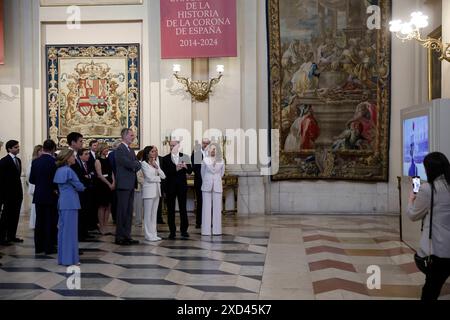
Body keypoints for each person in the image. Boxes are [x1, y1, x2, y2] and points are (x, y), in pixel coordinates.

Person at [408, 152, 450, 300]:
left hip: (438, 250)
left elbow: (413, 215)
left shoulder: (428, 189)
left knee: (430, 291)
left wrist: (412, 198)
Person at [54, 149, 85, 266]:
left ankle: (63, 258)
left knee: (63, 231)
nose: (74, 158)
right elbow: (79, 186)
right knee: (70, 232)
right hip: (71, 202)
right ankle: (70, 259)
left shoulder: (59, 170)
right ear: (67, 158)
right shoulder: (69, 171)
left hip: (62, 201)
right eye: (73, 156)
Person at [29, 140, 58, 254]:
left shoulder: (35, 162)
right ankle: (49, 247)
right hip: (51, 195)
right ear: (53, 149)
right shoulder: (54, 162)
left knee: (39, 221)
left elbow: (32, 180)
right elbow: (56, 180)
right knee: (50, 221)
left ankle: (39, 247)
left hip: (39, 195)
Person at [161, 140, 192, 239]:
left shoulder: (185, 156)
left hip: (182, 186)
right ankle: (172, 231)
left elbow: (190, 171)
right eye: (170, 145)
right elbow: (164, 173)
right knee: (171, 210)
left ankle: (184, 230)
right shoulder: (165, 158)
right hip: (170, 187)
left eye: (174, 145)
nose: (171, 147)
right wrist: (175, 169)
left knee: (183, 209)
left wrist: (185, 166)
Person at [115, 128, 141, 245]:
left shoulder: (130, 149)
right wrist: (135, 164)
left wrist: (135, 164)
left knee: (129, 211)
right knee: (122, 211)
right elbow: (129, 163)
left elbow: (137, 164)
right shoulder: (120, 149)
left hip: (130, 184)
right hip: (123, 185)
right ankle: (120, 237)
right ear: (124, 136)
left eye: (133, 135)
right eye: (131, 135)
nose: (133, 137)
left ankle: (127, 235)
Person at [0, 140, 24, 245]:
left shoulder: (18, 160)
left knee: (15, 215)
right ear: (9, 149)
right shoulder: (4, 161)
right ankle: (3, 237)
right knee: (6, 216)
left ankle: (12, 235)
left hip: (17, 193)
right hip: (8, 194)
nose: (18, 149)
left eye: (18, 147)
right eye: (15, 147)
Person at [141, 146, 166, 242]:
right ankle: (148, 235)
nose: (154, 153)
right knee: (148, 214)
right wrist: (158, 179)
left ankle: (154, 234)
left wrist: (157, 167)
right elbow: (149, 178)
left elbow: (163, 176)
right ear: (147, 153)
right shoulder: (144, 164)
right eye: (152, 151)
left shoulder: (156, 163)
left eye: (155, 151)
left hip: (156, 191)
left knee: (154, 214)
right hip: (148, 192)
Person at [201, 144, 225, 236]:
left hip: (217, 186)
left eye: (214, 149)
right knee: (206, 208)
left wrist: (216, 180)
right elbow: (202, 173)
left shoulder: (221, 160)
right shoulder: (205, 160)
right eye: (211, 149)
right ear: (208, 150)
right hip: (207, 185)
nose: (213, 151)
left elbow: (221, 173)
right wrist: (207, 181)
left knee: (217, 208)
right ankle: (206, 231)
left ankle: (217, 230)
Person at [71, 148, 95, 241]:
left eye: (88, 154)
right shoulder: (76, 164)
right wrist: (87, 176)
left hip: (89, 190)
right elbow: (80, 176)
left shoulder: (89, 163)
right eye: (85, 154)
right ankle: (80, 234)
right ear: (80, 156)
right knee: (81, 213)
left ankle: (85, 232)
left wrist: (89, 176)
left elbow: (93, 173)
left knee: (87, 212)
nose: (88, 156)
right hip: (81, 191)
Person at [94, 143, 115, 235]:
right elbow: (99, 174)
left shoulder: (108, 159)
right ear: (101, 149)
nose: (107, 149)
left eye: (107, 148)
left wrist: (114, 182)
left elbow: (112, 172)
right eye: (105, 148)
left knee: (109, 206)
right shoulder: (97, 161)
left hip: (110, 183)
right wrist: (108, 184)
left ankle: (106, 226)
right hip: (102, 184)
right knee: (102, 206)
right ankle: (101, 227)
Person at [192, 138, 210, 229]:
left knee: (209, 202)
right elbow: (195, 169)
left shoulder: (212, 154)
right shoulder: (197, 154)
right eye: (204, 143)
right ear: (201, 143)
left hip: (210, 181)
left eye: (207, 143)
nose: (206, 145)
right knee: (200, 202)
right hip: (200, 181)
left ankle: (209, 221)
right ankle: (199, 222)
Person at [27, 144, 43, 229]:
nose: (41, 152)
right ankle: (34, 224)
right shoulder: (33, 161)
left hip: (39, 186)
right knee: (34, 208)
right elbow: (29, 175)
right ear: (36, 152)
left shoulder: (41, 161)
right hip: (35, 186)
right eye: (40, 151)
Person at [108, 139, 121, 224]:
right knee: (115, 200)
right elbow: (111, 168)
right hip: (115, 179)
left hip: (122, 179)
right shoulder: (112, 154)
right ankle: (115, 218)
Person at [133, 150, 144, 227]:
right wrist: (147, 183)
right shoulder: (138, 164)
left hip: (145, 187)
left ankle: (142, 221)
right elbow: (138, 177)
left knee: (143, 206)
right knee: (138, 206)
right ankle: (138, 221)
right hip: (139, 187)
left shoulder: (145, 164)